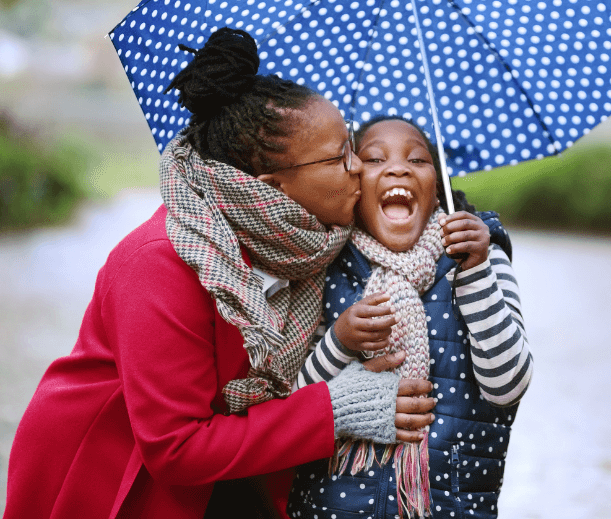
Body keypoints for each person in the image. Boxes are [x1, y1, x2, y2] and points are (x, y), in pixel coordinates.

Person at [4, 30, 435, 519]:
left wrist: (474, 232)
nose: (360, 169)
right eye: (341, 156)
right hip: (117, 475)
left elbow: (411, 227)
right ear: (272, 188)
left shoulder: (310, 241)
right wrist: (336, 409)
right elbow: (176, 446)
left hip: (239, 460)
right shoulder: (160, 264)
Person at [287, 117, 533, 519]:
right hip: (331, 508)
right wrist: (340, 342)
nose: (398, 168)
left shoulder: (482, 259)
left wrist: (475, 275)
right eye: (374, 158)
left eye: (418, 159)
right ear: (354, 184)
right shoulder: (325, 267)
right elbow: (291, 410)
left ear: (437, 187)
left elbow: (509, 386)